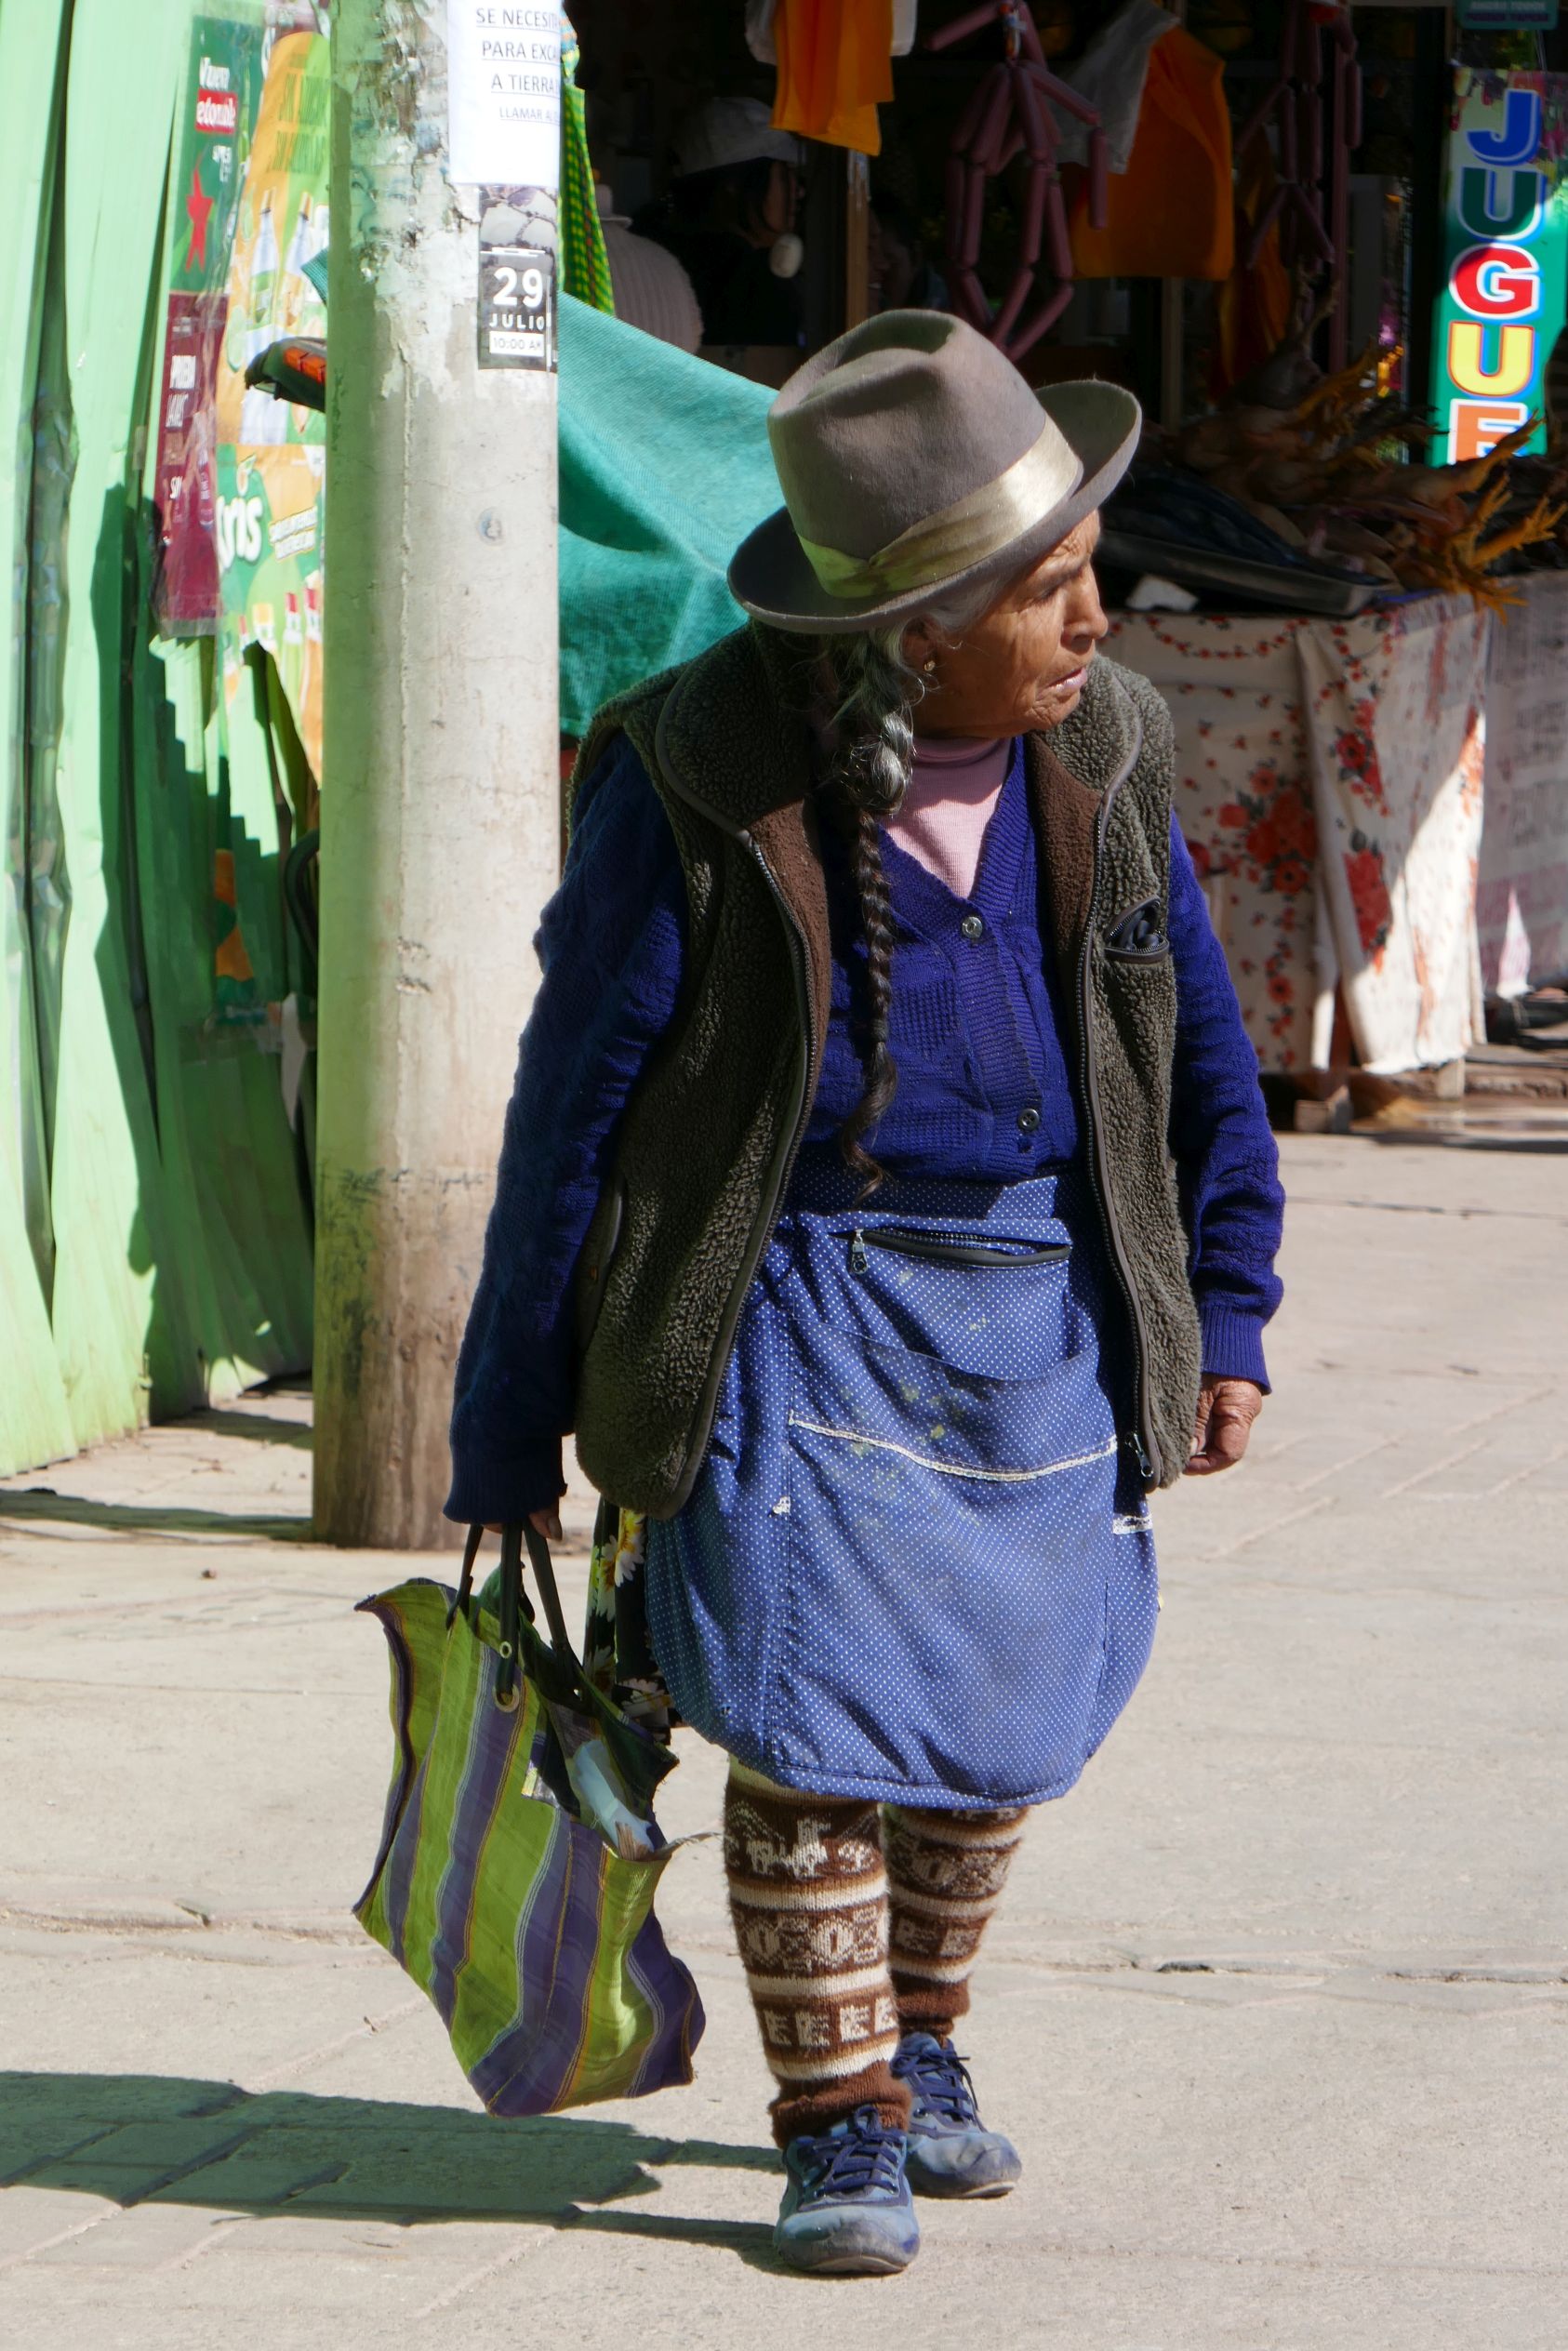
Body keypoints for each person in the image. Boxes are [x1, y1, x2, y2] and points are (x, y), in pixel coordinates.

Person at [447, 312, 1284, 2278]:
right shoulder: (704, 778)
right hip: (791, 1313)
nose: (1097, 620)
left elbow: (1197, 1055)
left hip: (1035, 1312)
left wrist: (1229, 1305)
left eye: (1091, 574)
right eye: (1054, 590)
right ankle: (838, 2120)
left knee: (993, 1736)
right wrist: (507, 1415)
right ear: (919, 630)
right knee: (810, 1728)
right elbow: (569, 1114)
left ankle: (919, 2040)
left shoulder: (1103, 754)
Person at [636, 95, 805, 349]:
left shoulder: (659, 254)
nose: (798, 191)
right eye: (784, 176)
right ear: (735, 184)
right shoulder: (751, 283)